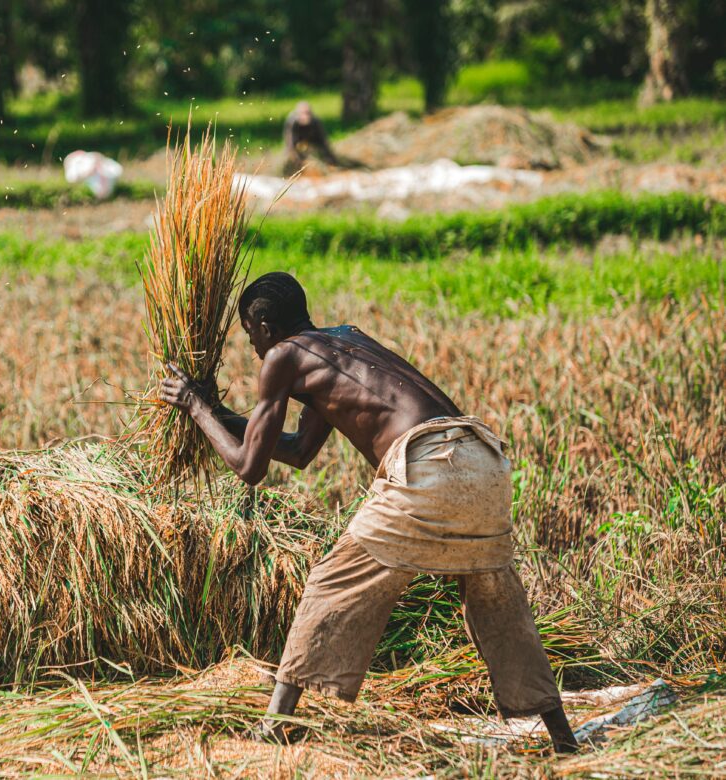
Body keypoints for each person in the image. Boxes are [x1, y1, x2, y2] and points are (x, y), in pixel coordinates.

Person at [159, 272, 579, 754]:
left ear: (265, 326)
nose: (252, 346)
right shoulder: (344, 341)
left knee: (330, 583)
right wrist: (219, 414)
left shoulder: (281, 357)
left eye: (249, 334)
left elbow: (249, 466)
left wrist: (195, 406)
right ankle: (562, 738)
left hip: (426, 466)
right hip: (482, 459)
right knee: (498, 605)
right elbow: (296, 450)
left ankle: (274, 730)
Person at [282, 101, 362, 175]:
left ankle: (333, 166)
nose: (305, 116)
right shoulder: (292, 122)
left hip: (312, 136)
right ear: (298, 114)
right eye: (303, 114)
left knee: (326, 152)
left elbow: (323, 141)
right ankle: (291, 171)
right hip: (297, 138)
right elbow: (289, 141)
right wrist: (295, 156)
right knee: (292, 155)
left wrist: (330, 158)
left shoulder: (316, 121)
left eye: (307, 113)